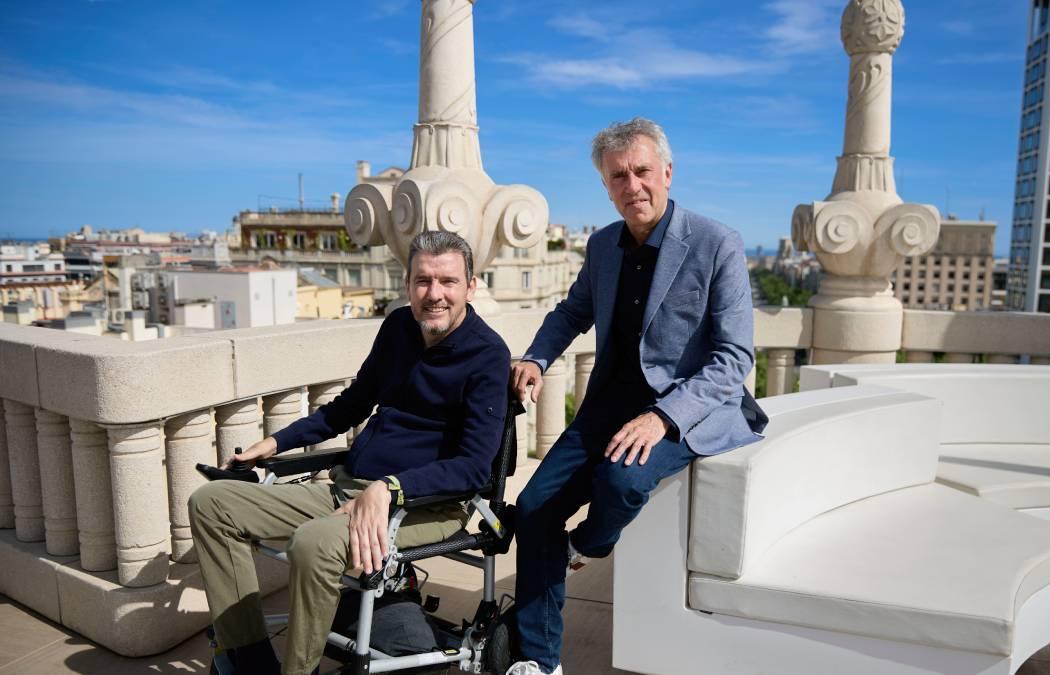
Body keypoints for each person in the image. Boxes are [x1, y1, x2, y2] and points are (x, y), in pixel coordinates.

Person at [505, 118, 768, 675]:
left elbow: (734, 359)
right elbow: (573, 311)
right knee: (531, 511)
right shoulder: (603, 245)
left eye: (642, 171)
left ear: (667, 172)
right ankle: (538, 661)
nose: (633, 185)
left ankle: (588, 547)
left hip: (685, 408)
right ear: (606, 186)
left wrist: (663, 417)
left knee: (620, 482)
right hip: (607, 404)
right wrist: (535, 356)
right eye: (618, 176)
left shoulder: (718, 243)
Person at [188, 230, 511, 675]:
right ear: (407, 284)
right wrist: (278, 442)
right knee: (211, 504)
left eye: (448, 282)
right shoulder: (398, 327)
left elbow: (475, 467)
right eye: (423, 281)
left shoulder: (487, 355)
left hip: (423, 506)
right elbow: (352, 405)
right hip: (347, 489)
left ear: (471, 287)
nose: (434, 294)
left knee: (314, 544)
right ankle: (249, 658)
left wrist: (390, 489)